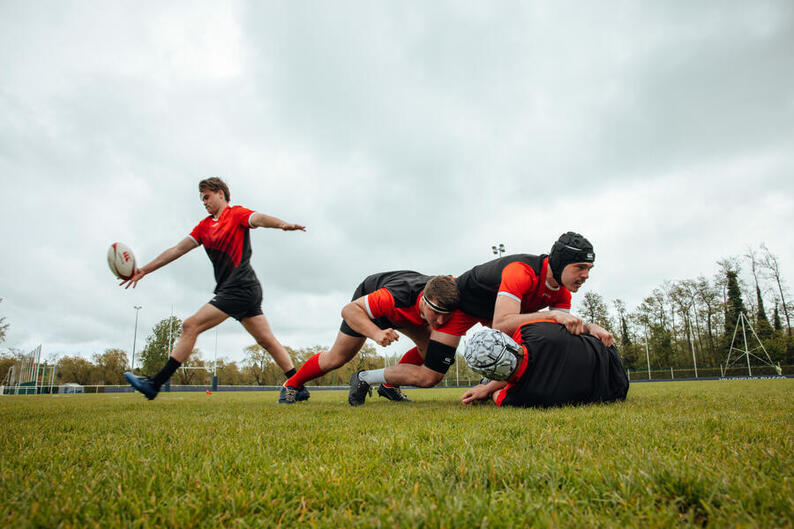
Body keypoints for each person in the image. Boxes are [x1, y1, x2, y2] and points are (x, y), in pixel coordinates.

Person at [349, 232, 613, 404]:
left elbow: (559, 336)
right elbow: (502, 324)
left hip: (493, 312)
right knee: (430, 376)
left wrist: (588, 327)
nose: (586, 275)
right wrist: (554, 316)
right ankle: (365, 378)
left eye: (589, 269)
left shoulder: (562, 291)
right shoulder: (520, 272)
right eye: (580, 267)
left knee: (525, 345)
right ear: (559, 264)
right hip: (464, 307)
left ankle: (488, 384)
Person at [122, 177, 306, 400]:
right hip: (240, 290)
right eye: (202, 200)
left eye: (207, 197)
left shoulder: (235, 214)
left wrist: (281, 224)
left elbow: (259, 218)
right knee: (267, 341)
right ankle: (298, 386)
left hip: (240, 287)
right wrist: (143, 270)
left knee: (190, 326)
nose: (205, 202)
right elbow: (177, 249)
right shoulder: (204, 227)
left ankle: (155, 383)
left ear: (221, 194)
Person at [280, 271, 470, 405]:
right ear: (423, 300)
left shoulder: (451, 288)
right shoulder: (395, 296)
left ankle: (389, 386)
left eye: (447, 314)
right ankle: (292, 384)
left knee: (431, 350)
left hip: (404, 314)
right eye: (436, 313)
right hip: (365, 309)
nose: (441, 320)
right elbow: (348, 310)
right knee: (337, 358)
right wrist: (376, 333)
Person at [460, 322, 629, 408]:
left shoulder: (519, 396)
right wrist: (593, 326)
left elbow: (505, 386)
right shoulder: (531, 331)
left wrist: (488, 389)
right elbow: (578, 327)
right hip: (607, 348)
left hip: (618, 389)